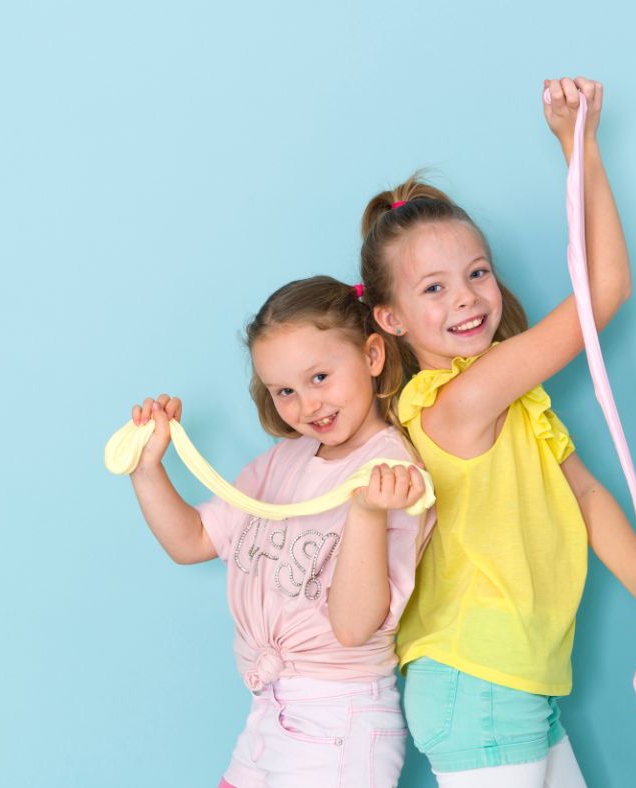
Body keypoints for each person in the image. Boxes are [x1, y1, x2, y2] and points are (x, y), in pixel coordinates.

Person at [358, 77, 636, 786]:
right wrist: (579, 147)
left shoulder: (516, 399)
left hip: (516, 681)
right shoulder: (460, 400)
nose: (468, 297)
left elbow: (588, 498)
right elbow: (607, 291)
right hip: (477, 684)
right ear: (390, 319)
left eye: (478, 272)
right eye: (433, 288)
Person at [124, 276, 434, 788]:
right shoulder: (282, 462)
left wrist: (366, 513)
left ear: (372, 355)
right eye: (285, 391)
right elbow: (193, 540)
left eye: (319, 377)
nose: (308, 406)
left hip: (339, 718)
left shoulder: (391, 473)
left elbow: (355, 627)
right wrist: (147, 468)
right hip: (270, 711)